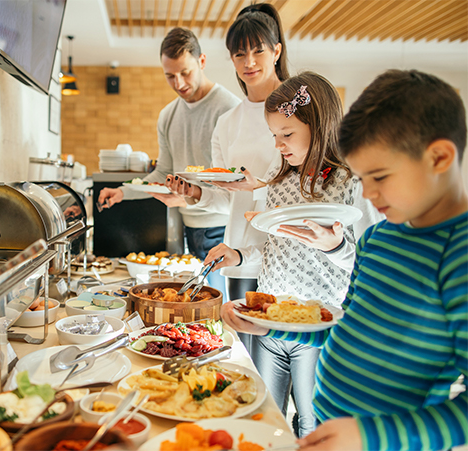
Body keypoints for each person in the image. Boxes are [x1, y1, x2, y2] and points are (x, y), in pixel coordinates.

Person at [223, 69, 468, 451]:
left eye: (379, 176)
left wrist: (366, 435)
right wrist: (268, 328)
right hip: (335, 432)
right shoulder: (377, 237)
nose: (367, 192)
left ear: (438, 158)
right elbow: (342, 324)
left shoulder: (458, 257)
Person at [207, 71, 382, 438]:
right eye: (275, 135)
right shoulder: (280, 180)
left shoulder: (351, 183)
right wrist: (239, 256)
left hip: (318, 325)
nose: (279, 145)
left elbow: (371, 264)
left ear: (319, 127)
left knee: (311, 424)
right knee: (265, 416)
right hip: (270, 321)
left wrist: (334, 247)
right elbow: (274, 250)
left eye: (287, 135)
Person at [166, 2, 287, 318]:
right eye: (239, 54)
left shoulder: (296, 112)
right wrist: (194, 194)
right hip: (239, 259)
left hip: (286, 256)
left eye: (257, 51)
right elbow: (227, 202)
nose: (248, 62)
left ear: (276, 51)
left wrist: (258, 187)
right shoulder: (228, 122)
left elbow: (303, 191)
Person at [98, 27, 239, 295]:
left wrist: (187, 197)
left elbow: (235, 182)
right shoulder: (167, 116)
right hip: (190, 228)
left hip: (224, 229)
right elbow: (163, 172)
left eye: (185, 72)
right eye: (170, 76)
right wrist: (123, 191)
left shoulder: (230, 109)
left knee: (220, 308)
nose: (179, 83)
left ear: (202, 61)